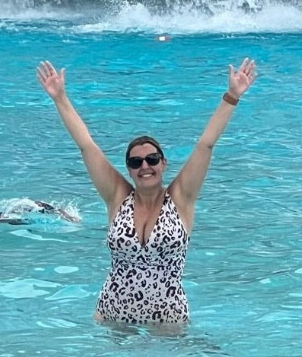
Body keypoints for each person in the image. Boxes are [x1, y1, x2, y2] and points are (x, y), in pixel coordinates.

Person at [36, 57, 257, 324]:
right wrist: (60, 98)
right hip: (112, 314)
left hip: (167, 319)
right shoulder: (117, 197)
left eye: (152, 159)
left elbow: (205, 144)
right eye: (136, 162)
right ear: (129, 169)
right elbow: (87, 145)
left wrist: (232, 97)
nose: (145, 166)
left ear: (163, 164)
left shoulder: (181, 198)